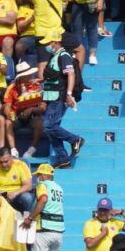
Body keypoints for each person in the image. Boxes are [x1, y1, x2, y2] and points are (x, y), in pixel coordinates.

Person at [40, 32, 84, 168]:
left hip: (58, 97)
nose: (47, 46)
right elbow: (55, 75)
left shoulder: (64, 56)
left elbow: (70, 74)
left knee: (48, 125)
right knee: (50, 128)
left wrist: (69, 94)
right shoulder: (54, 56)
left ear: (56, 42)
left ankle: (75, 140)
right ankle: (63, 158)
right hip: (50, 96)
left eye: (49, 43)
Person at [25, 164, 66, 251]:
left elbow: (42, 199)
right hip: (58, 231)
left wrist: (30, 218)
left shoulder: (42, 185)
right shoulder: (59, 188)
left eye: (38, 175)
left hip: (44, 230)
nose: (38, 178)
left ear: (43, 175)